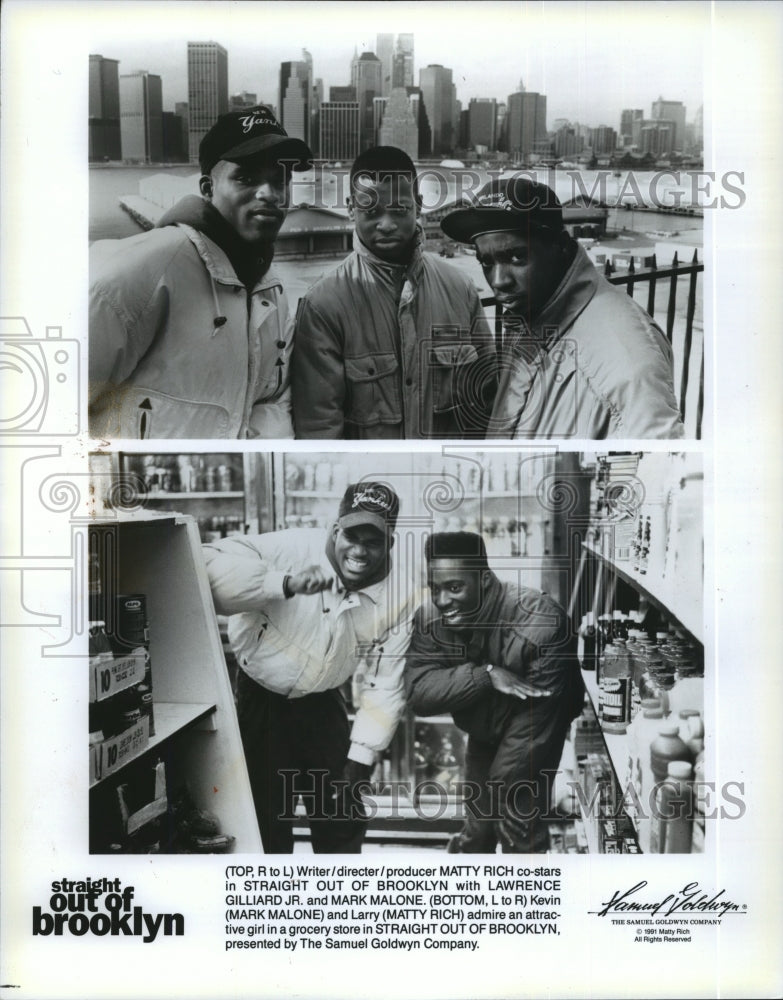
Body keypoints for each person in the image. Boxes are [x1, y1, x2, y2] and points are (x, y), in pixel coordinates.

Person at [203, 482, 416, 853]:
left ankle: (336, 906)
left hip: (324, 701)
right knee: (265, 824)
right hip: (260, 700)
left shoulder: (401, 594)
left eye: (374, 541)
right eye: (352, 535)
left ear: (391, 543)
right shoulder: (289, 548)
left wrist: (361, 759)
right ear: (335, 529)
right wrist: (282, 584)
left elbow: (387, 683)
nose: (360, 551)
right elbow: (207, 569)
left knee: (342, 817)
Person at [89, 105, 312, 439]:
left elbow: (271, 400)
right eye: (246, 178)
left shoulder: (271, 290)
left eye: (279, 180)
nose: (269, 194)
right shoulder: (142, 272)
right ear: (207, 189)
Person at [440, 176, 686, 439]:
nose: (498, 280)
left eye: (516, 256)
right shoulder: (530, 313)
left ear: (559, 246)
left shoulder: (628, 360)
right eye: (486, 262)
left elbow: (655, 469)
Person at [292, 146, 496, 439]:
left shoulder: (461, 289)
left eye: (399, 210)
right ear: (351, 207)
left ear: (419, 204)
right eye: (371, 211)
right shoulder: (323, 305)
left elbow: (487, 401)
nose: (386, 225)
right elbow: (319, 427)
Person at [404, 532, 584, 853]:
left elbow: (537, 725)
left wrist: (498, 792)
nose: (443, 600)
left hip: (536, 730)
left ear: (484, 580)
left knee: (518, 826)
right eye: (436, 588)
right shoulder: (431, 619)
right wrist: (485, 676)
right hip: (484, 731)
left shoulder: (543, 624)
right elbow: (419, 692)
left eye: (455, 587)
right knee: (478, 832)